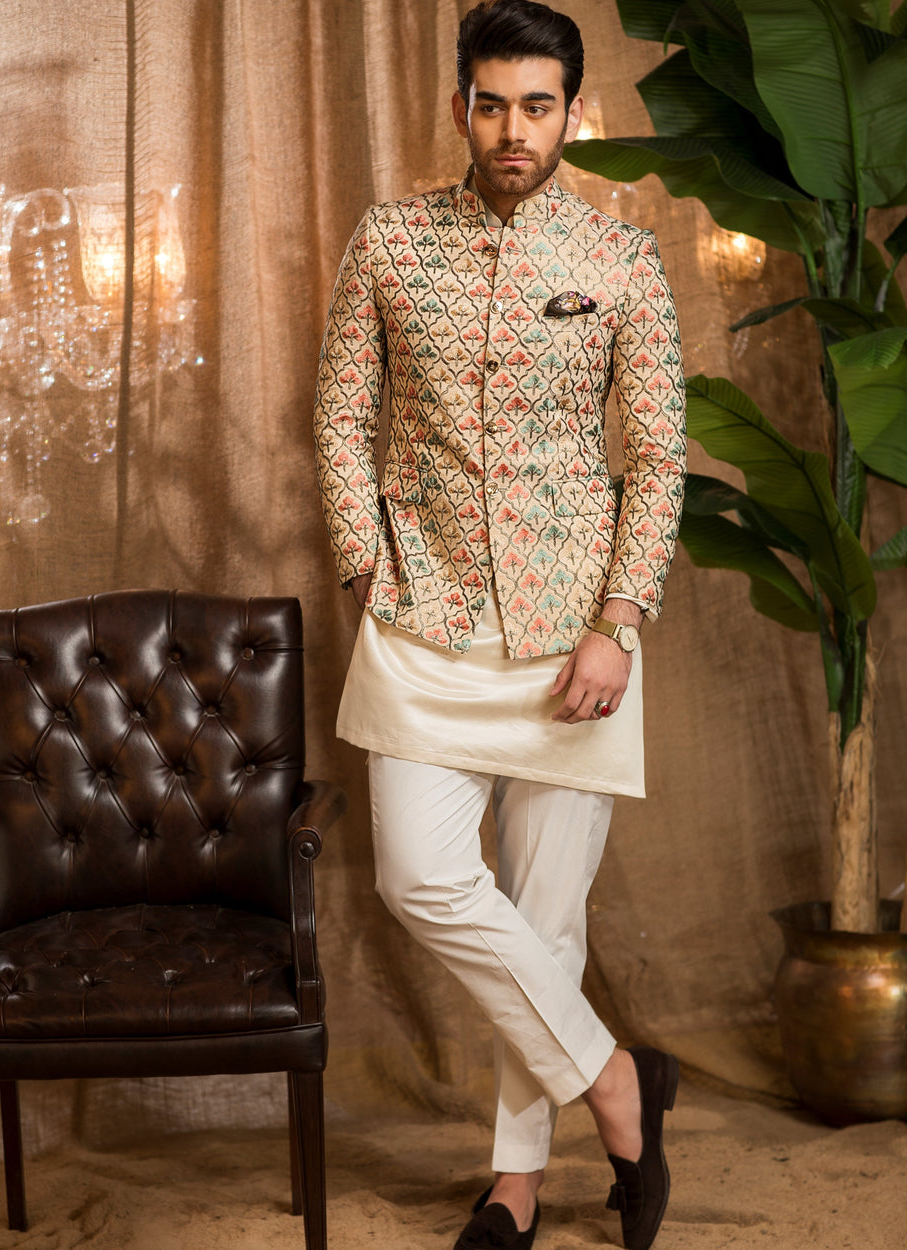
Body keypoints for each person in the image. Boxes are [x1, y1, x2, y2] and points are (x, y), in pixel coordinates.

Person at [313, 2, 686, 1247]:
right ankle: (615, 1078)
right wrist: (370, 571)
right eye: (489, 102)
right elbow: (339, 419)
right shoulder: (390, 240)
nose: (510, 128)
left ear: (573, 110)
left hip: (572, 636)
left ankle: (514, 1185)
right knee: (422, 875)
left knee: (543, 917)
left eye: (537, 104)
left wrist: (618, 621)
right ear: (459, 105)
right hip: (421, 623)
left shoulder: (623, 261)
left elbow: (654, 455)